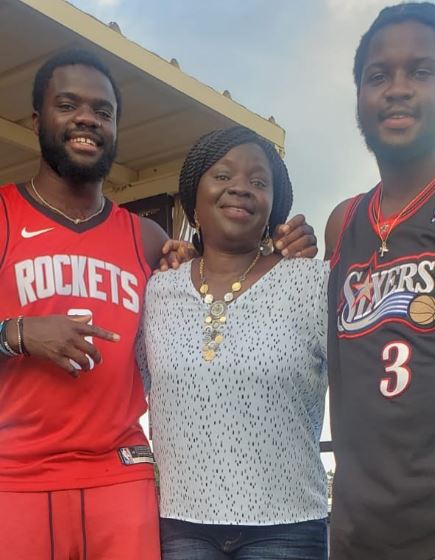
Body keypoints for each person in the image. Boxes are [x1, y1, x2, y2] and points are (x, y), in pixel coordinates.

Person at [0, 50, 316, 559]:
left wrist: (278, 248)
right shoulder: (4, 214)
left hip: (120, 476)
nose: (87, 119)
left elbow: (209, 273)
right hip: (13, 477)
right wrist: (16, 333)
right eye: (68, 104)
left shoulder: (147, 239)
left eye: (103, 111)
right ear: (38, 119)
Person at [324, 3, 435, 559]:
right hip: (357, 534)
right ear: (359, 96)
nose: (397, 88)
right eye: (379, 75)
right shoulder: (343, 222)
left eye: (420, 71)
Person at [139, 126, 329, 560]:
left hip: (288, 527)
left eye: (259, 182)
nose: (240, 188)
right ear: (194, 197)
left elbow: (362, 387)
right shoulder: (157, 290)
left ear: (274, 205)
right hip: (182, 526)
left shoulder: (313, 281)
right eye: (223, 176)